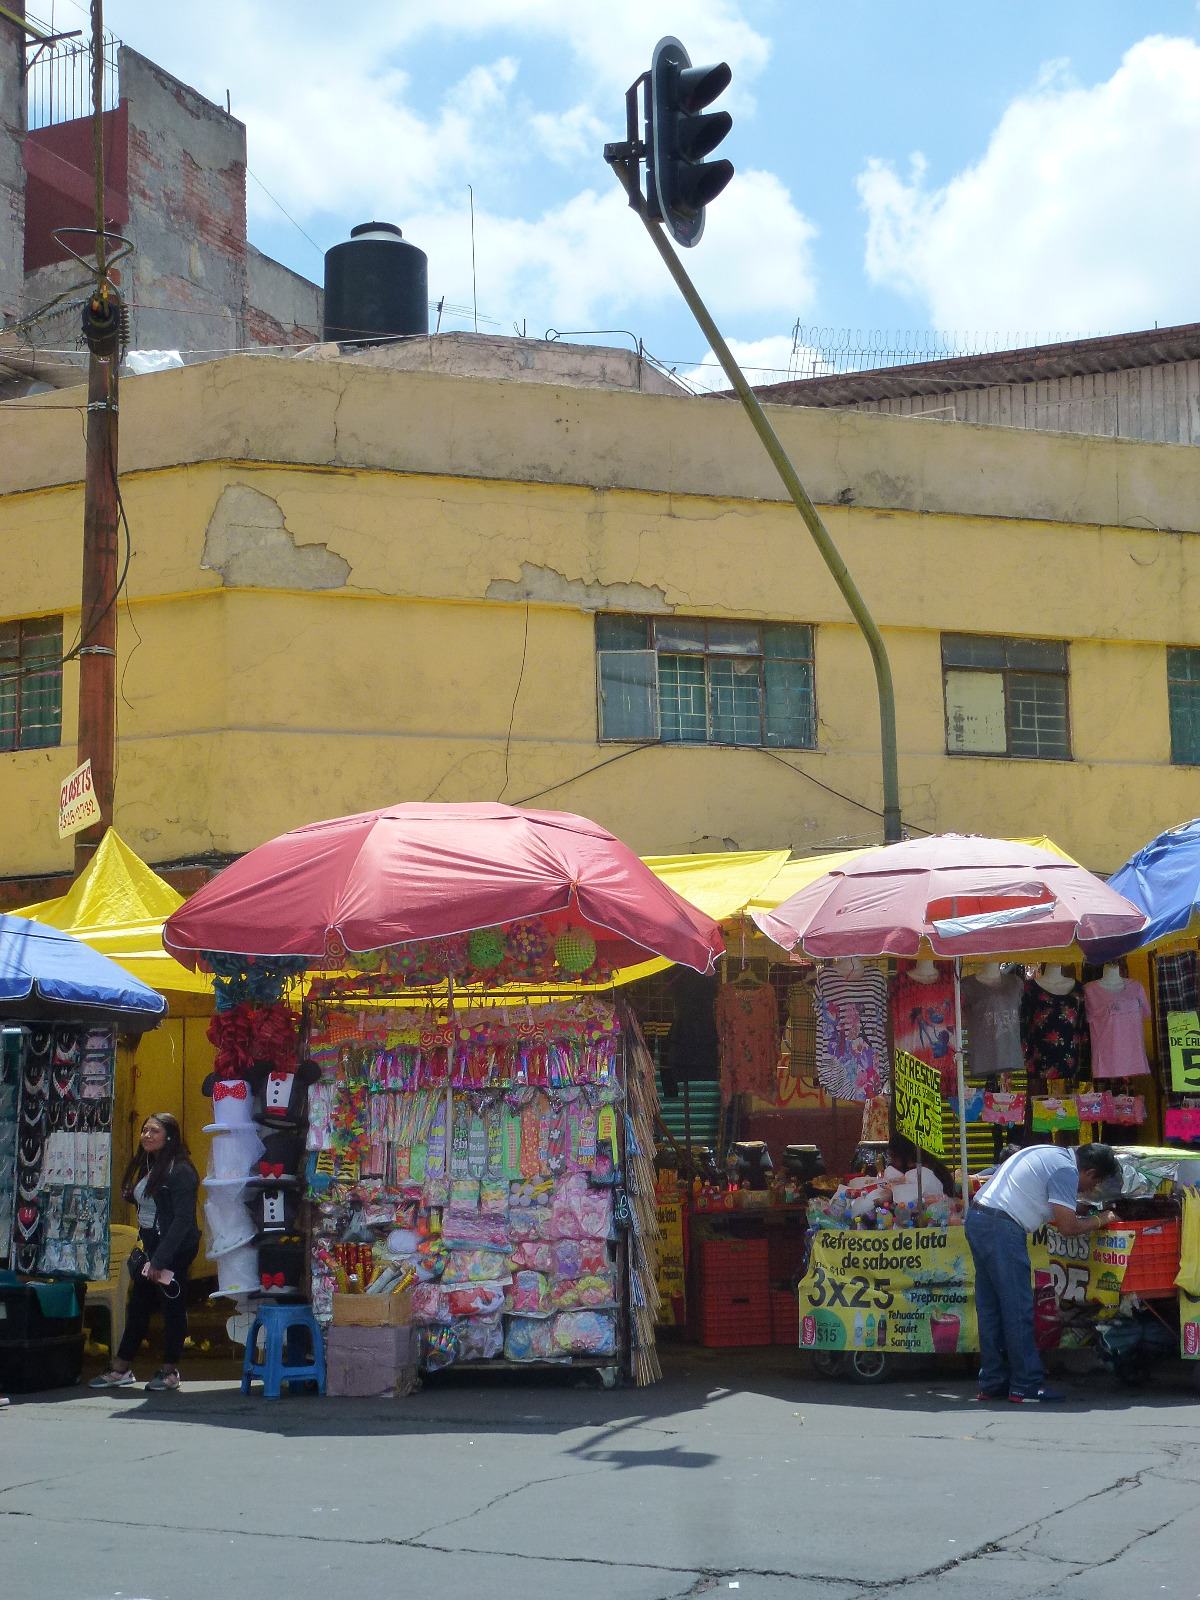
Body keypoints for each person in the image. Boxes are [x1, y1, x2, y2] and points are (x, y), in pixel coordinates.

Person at [966, 1141, 1120, 1404]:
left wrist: (1083, 1209)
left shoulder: (1050, 1153)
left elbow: (1052, 1202)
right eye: (1095, 1184)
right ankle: (1026, 1385)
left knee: (991, 1308)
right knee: (1017, 1309)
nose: (1090, 1190)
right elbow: (1067, 1227)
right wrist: (1101, 1220)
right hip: (1002, 1229)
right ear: (1090, 1172)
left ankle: (992, 1382)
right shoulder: (1065, 1170)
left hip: (979, 1220)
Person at [90, 1113, 200, 1393]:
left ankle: (169, 1372)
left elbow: (182, 1220)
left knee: (172, 1307)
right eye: (144, 1130)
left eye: (154, 1131)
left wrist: (161, 1260)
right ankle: (121, 1367)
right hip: (151, 1245)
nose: (147, 1135)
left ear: (169, 1137)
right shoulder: (151, 1165)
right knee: (138, 1305)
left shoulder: (181, 1171)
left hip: (172, 1248)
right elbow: (151, 1205)